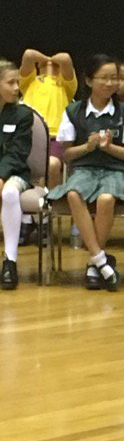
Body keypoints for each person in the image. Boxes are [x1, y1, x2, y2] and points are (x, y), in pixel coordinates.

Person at [48, 54, 124, 291]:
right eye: (104, 78)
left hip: (114, 170)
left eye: (115, 78)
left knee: (106, 199)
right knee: (72, 194)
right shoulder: (73, 111)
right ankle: (101, 259)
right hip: (84, 169)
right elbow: (66, 154)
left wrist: (109, 147)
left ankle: (94, 263)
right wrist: (87, 147)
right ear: (89, 81)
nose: (110, 84)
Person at [19, 48, 77, 187]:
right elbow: (29, 54)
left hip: (55, 137)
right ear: (37, 66)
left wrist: (50, 61)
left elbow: (65, 58)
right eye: (45, 64)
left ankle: (52, 201)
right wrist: (47, 60)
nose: (51, 65)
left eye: (56, 65)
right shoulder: (29, 82)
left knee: (53, 164)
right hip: (29, 134)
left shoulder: (66, 85)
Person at [0, 59, 34, 290]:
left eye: (17, 83)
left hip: (15, 173)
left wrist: (1, 176)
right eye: (10, 82)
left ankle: (10, 261)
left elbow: (17, 153)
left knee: (10, 193)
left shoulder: (22, 114)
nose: (16, 88)